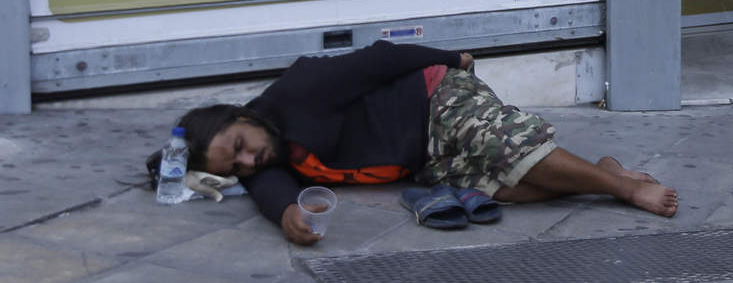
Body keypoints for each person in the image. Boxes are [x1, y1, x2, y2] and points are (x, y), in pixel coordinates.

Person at [148, 41, 677, 245]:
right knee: (505, 191)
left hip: (435, 98)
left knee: (497, 145)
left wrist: (452, 59)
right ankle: (605, 173)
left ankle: (625, 189)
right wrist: (287, 213)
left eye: (241, 144)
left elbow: (379, 57)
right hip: (422, 157)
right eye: (235, 165)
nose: (248, 160)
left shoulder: (299, 91)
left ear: (244, 116)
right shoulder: (261, 158)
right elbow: (269, 186)